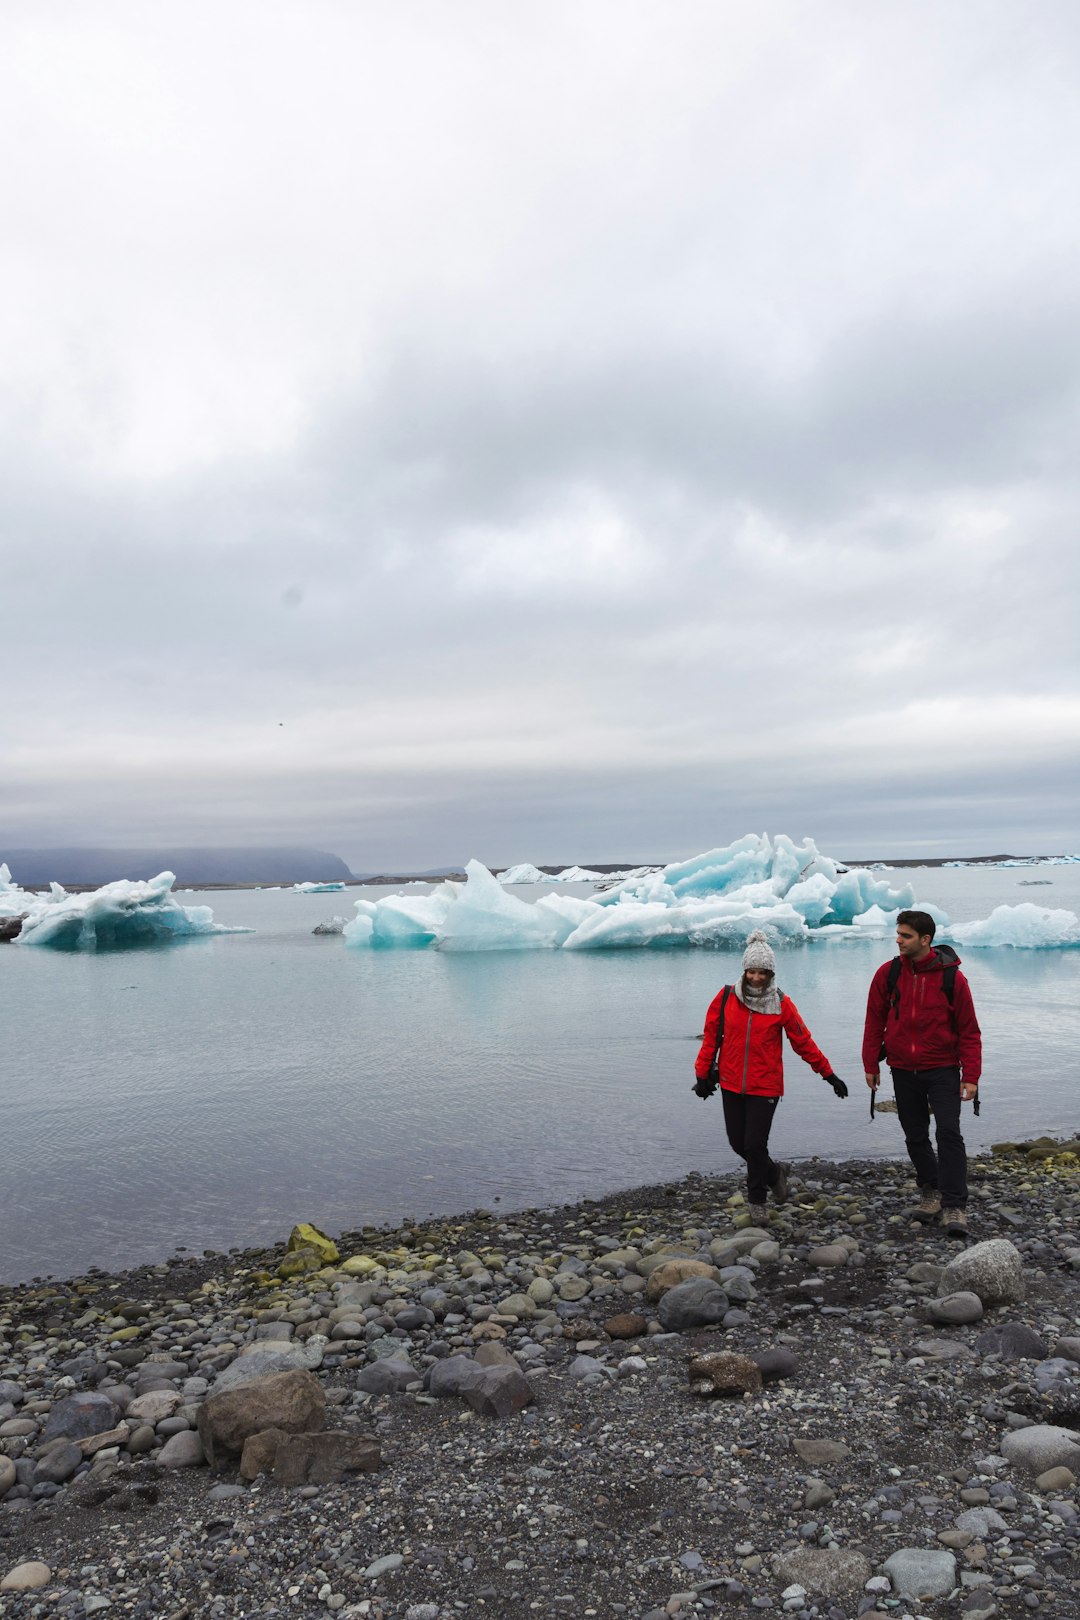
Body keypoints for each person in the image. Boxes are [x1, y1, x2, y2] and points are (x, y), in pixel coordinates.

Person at [694, 930, 848, 1223]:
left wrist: (829, 1074)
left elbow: (803, 1041)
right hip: (730, 1082)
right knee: (738, 1144)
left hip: (765, 1086)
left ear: (771, 972)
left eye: (762, 972)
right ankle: (775, 1172)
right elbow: (711, 1039)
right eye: (751, 971)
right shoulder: (726, 997)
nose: (755, 978)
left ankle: (757, 1201)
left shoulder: (781, 1003)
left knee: (754, 1145)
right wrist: (702, 1075)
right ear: (744, 970)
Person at [862, 909, 981, 1238]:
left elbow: (970, 1031)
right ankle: (931, 1191)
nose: (898, 940)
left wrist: (971, 1075)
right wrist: (870, 1064)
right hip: (902, 1068)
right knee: (915, 1134)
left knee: (948, 1133)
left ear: (925, 940)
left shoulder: (951, 977)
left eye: (906, 936)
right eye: (898, 934)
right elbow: (874, 1021)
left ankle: (955, 1204)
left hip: (942, 1068)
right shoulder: (888, 974)